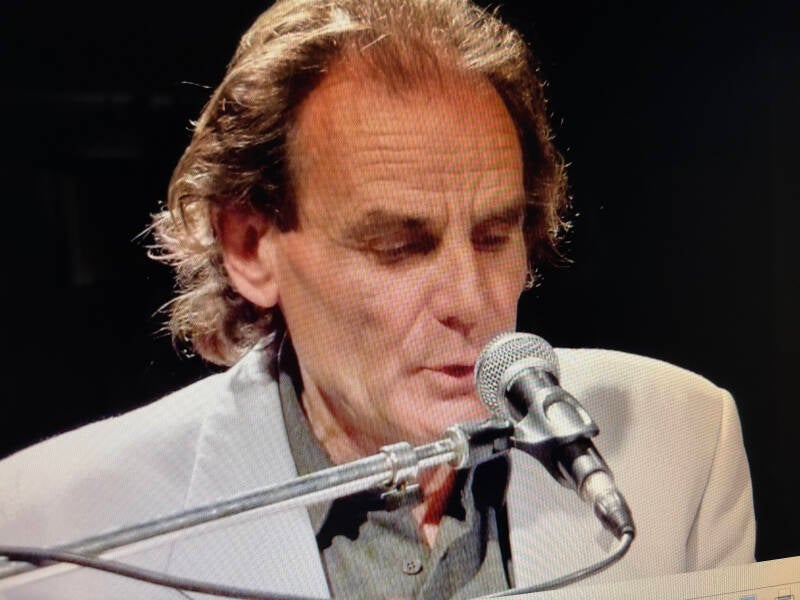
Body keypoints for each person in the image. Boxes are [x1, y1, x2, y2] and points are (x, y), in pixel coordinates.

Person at [0, 0, 755, 598]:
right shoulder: (52, 526)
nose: (471, 300)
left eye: (495, 235)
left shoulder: (678, 437)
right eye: (400, 247)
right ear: (250, 247)